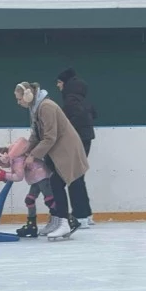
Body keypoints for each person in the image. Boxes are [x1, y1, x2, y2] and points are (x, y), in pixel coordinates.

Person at [14, 81, 88, 240]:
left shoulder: (46, 107)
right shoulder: (36, 108)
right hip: (58, 152)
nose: (18, 102)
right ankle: (58, 221)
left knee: (56, 183)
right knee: (55, 183)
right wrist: (25, 152)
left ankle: (65, 223)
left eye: (19, 98)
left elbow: (50, 137)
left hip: (66, 150)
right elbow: (35, 136)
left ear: (28, 95)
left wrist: (33, 155)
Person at [0, 137, 54, 238]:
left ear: (3, 157)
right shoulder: (14, 157)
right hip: (36, 177)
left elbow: (19, 176)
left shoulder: (16, 159)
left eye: (0, 164)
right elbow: (16, 173)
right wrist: (5, 176)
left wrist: (4, 175)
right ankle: (32, 225)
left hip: (41, 176)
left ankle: (65, 219)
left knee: (50, 200)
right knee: (30, 200)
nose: (2, 166)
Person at [57, 68, 97, 227]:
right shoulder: (80, 98)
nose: (58, 86)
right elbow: (93, 113)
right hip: (85, 139)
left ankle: (81, 215)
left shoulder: (71, 100)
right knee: (77, 176)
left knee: (74, 177)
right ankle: (85, 214)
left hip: (77, 141)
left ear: (65, 83)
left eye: (59, 83)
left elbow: (76, 119)